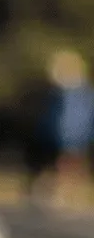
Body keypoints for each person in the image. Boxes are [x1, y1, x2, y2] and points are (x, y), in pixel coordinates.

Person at [29, 49, 92, 206]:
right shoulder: (79, 93)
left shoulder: (68, 94)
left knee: (68, 164)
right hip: (72, 135)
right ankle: (67, 193)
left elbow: (61, 118)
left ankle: (67, 194)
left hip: (69, 135)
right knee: (69, 163)